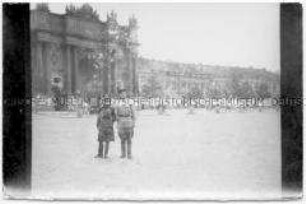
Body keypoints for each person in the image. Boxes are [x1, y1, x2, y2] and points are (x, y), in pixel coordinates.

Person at [116, 89, 136, 159]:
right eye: (121, 94)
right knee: (122, 139)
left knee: (129, 139)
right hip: (121, 121)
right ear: (119, 95)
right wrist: (117, 121)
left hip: (128, 121)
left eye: (124, 93)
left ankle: (129, 154)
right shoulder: (117, 102)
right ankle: (123, 154)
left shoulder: (130, 102)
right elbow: (116, 113)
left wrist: (133, 122)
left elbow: (133, 113)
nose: (123, 95)